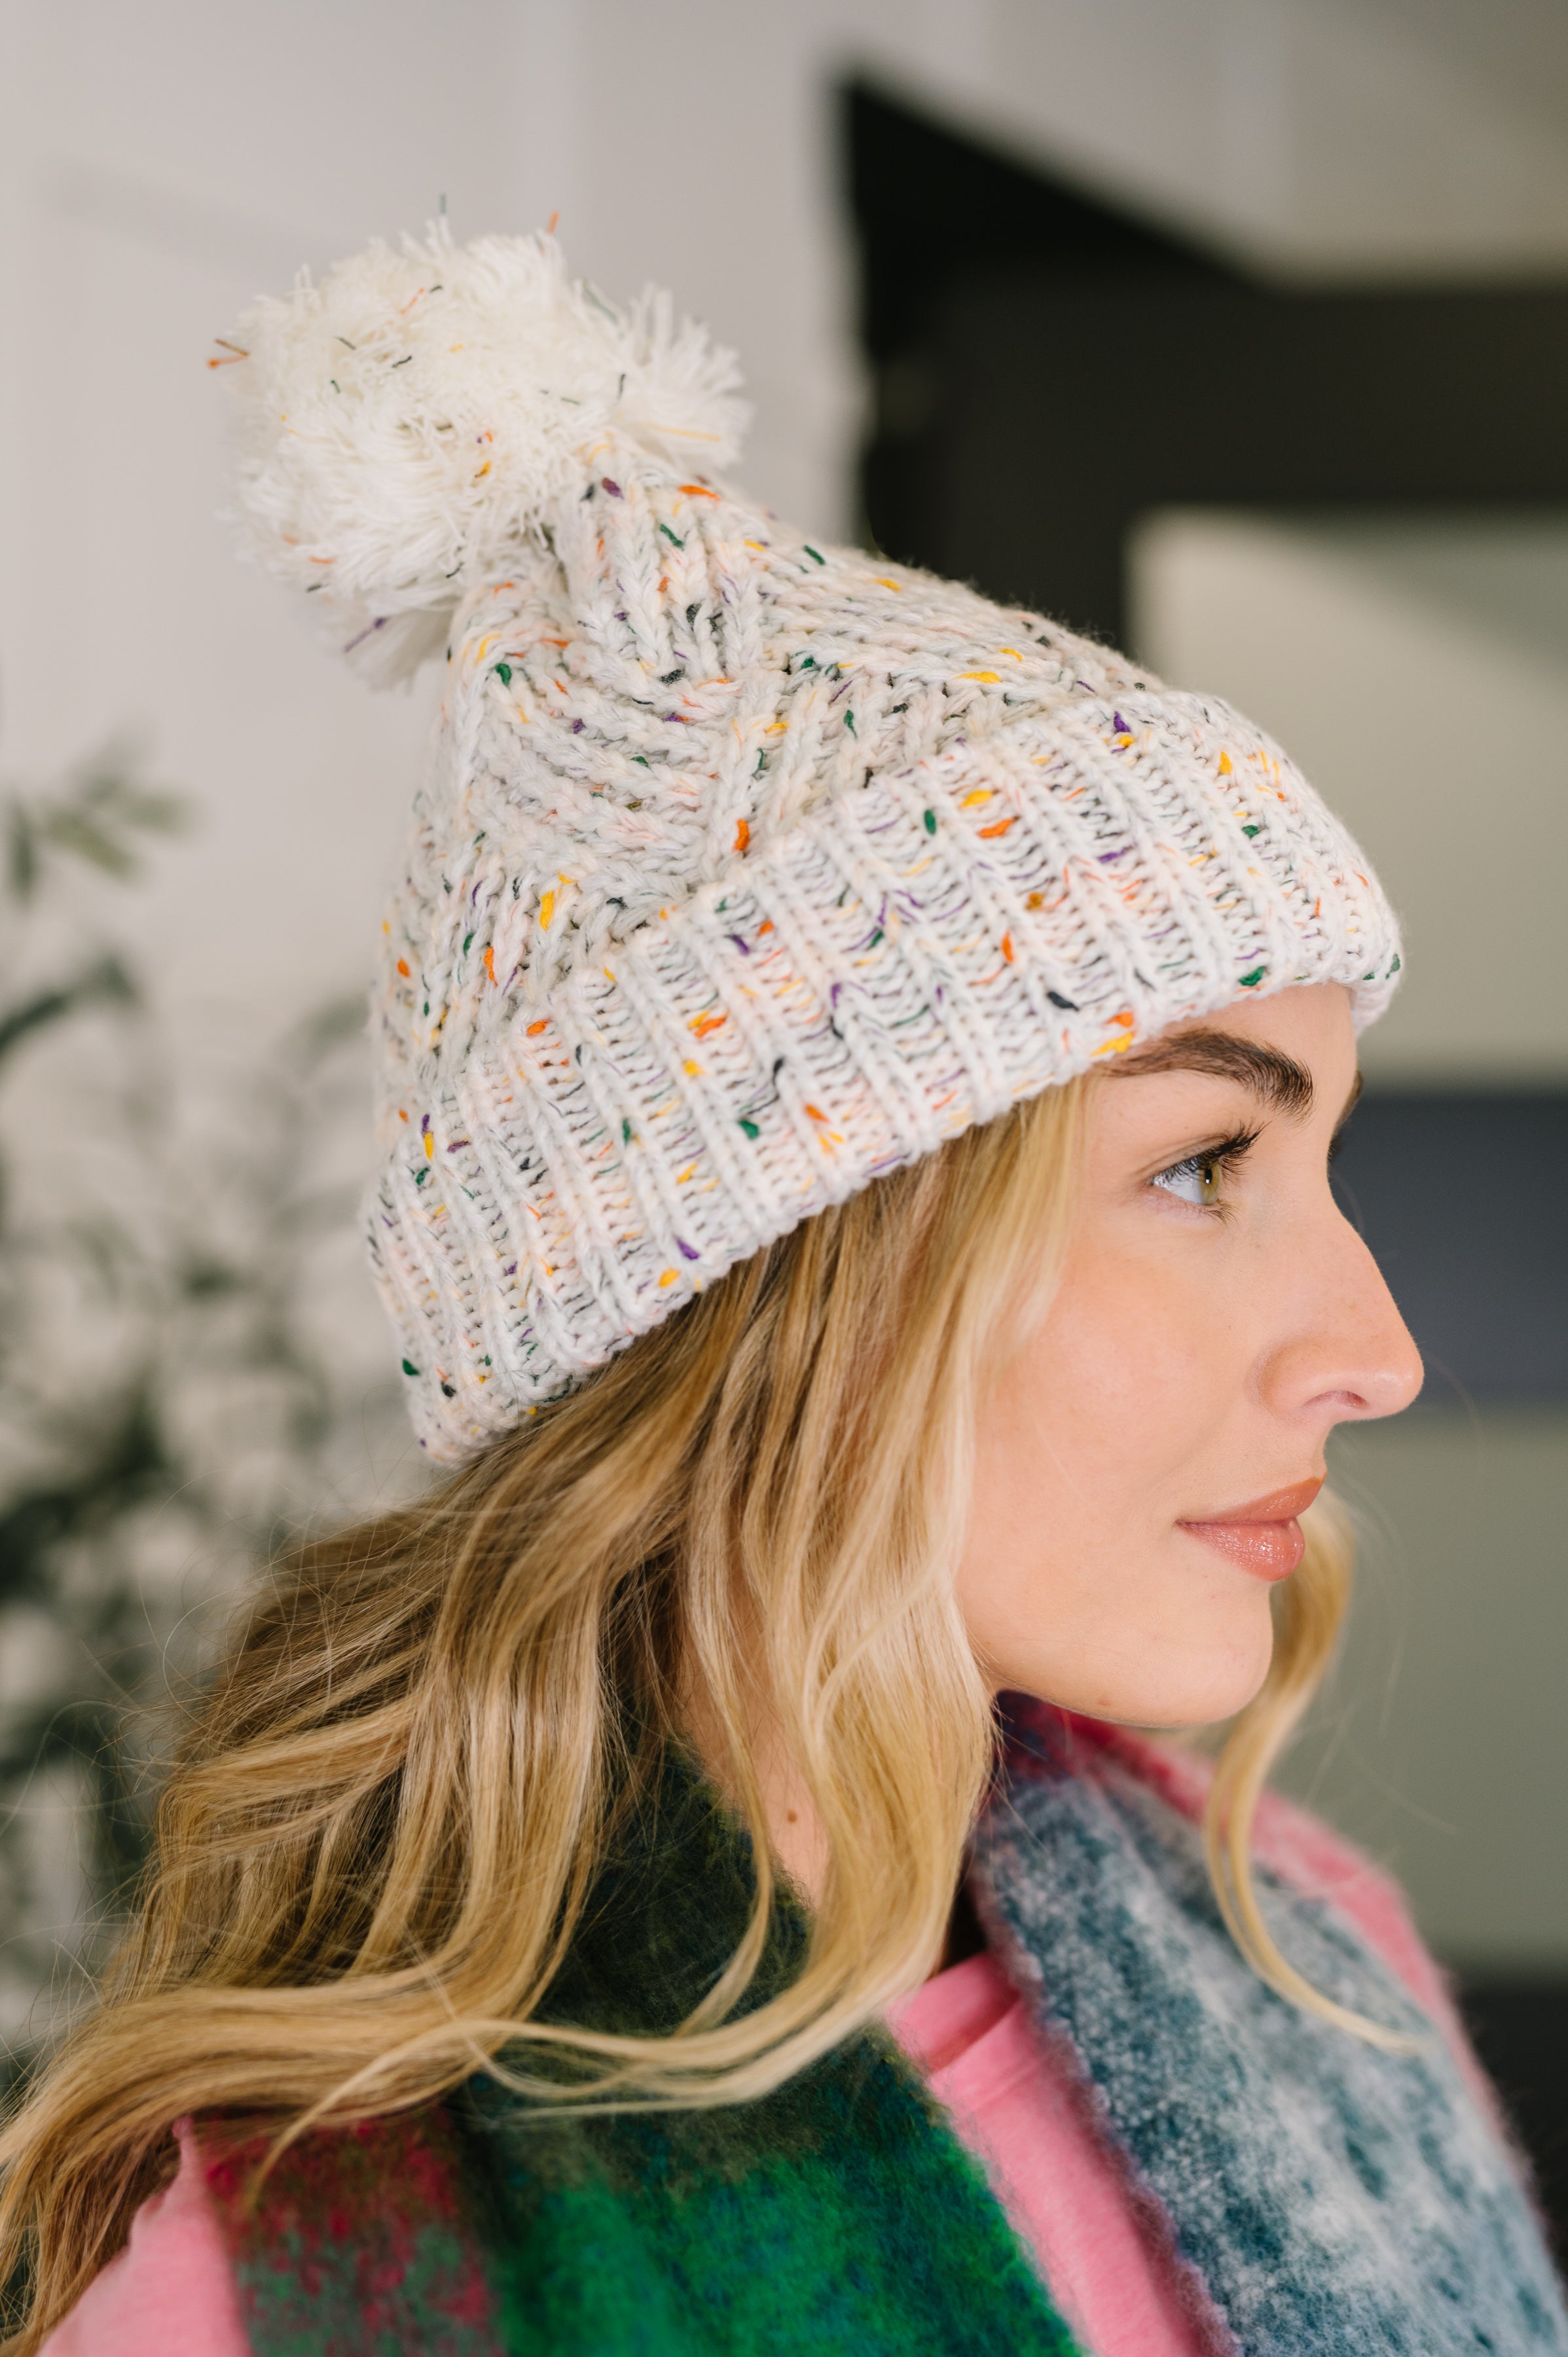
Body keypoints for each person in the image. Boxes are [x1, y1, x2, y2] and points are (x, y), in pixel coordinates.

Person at [3, 227, 1562, 2357]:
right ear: (781, 1280)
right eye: (1203, 1163)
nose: (1373, 1351)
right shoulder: (281, 2302)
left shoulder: (1312, 1965)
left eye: (1320, 1157)